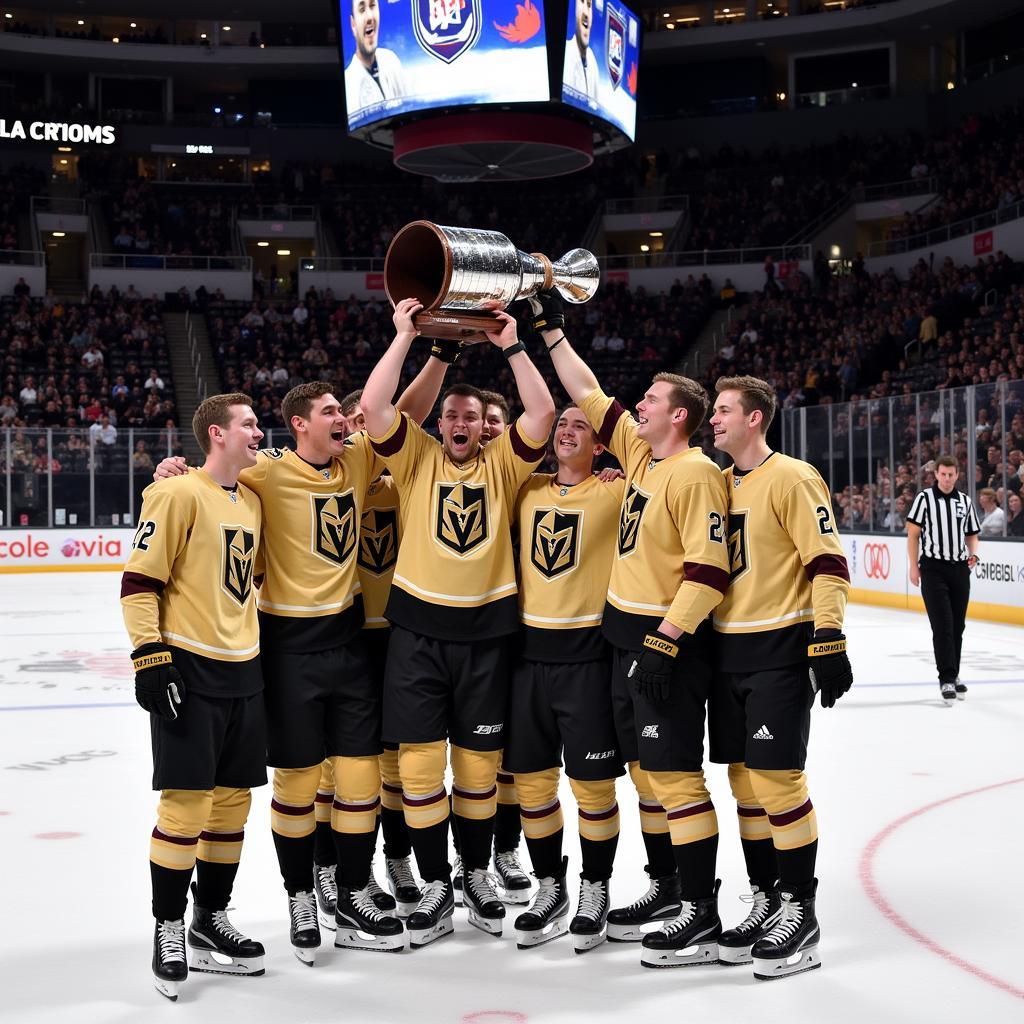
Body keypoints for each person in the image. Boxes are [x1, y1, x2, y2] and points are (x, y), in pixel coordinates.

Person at [152, 364, 447, 964]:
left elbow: (404, 413)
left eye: (346, 413)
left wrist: (426, 347)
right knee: (295, 783)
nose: (344, 420)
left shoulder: (360, 462)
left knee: (360, 780)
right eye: (332, 413)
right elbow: (217, 475)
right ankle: (301, 896)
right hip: (284, 651)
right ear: (299, 425)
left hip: (349, 644)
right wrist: (173, 473)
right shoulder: (268, 471)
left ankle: (352, 888)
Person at [532, 290, 732, 965]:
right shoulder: (644, 457)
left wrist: (665, 642)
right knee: (647, 775)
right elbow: (588, 392)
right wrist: (549, 329)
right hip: (623, 637)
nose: (635, 405)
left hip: (662, 645)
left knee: (675, 777)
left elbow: (709, 571)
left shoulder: (696, 473)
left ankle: (701, 913)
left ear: (679, 415)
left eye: (648, 400)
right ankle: (667, 886)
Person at [361, 299, 555, 946]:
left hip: (486, 638)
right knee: (418, 772)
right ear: (440, 424)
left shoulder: (504, 465)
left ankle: (477, 873)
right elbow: (378, 407)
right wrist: (404, 338)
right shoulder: (414, 460)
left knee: (476, 772)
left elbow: (544, 414)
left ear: (485, 428)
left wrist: (514, 346)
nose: (460, 422)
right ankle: (437, 883)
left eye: (472, 416)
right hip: (416, 636)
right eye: (451, 415)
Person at [121, 393, 266, 1001]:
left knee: (232, 805)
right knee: (186, 806)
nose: (259, 433)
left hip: (245, 668)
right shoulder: (177, 492)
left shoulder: (253, 499)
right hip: (191, 668)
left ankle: (210, 918)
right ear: (216, 434)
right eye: (249, 424)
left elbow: (248, 579)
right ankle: (169, 927)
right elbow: (139, 579)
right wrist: (149, 655)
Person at [708, 376, 852, 980]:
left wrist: (829, 637)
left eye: (723, 411)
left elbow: (827, 562)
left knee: (777, 779)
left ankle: (801, 908)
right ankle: (766, 896)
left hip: (779, 651)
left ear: (756, 419)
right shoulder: (714, 481)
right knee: (744, 784)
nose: (712, 420)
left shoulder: (792, 477)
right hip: (725, 653)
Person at [507, 406, 625, 952]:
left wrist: (619, 471)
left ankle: (594, 888)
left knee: (593, 788)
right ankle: (549, 886)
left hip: (587, 659)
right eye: (562, 425)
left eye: (581, 426)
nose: (567, 431)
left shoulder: (615, 492)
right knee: (532, 786)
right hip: (528, 659)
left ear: (600, 447)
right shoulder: (525, 490)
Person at [907, 455, 980, 704]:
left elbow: (971, 534)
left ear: (957, 475)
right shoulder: (924, 499)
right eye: (943, 474)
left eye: (951, 474)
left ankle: (954, 673)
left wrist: (975, 553)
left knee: (958, 627)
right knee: (943, 626)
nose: (947, 478)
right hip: (932, 569)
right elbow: (913, 535)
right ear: (936, 475)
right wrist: (913, 567)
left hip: (959, 569)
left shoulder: (965, 502)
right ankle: (946, 678)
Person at [344, 0, 408, 114]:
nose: (370, 17)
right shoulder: (348, 84)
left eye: (372, 6)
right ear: (353, 25)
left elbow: (410, 110)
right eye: (362, 9)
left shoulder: (391, 60)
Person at [563, 0, 599, 104]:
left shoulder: (592, 62)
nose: (586, 13)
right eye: (582, 2)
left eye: (589, 5)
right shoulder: (566, 53)